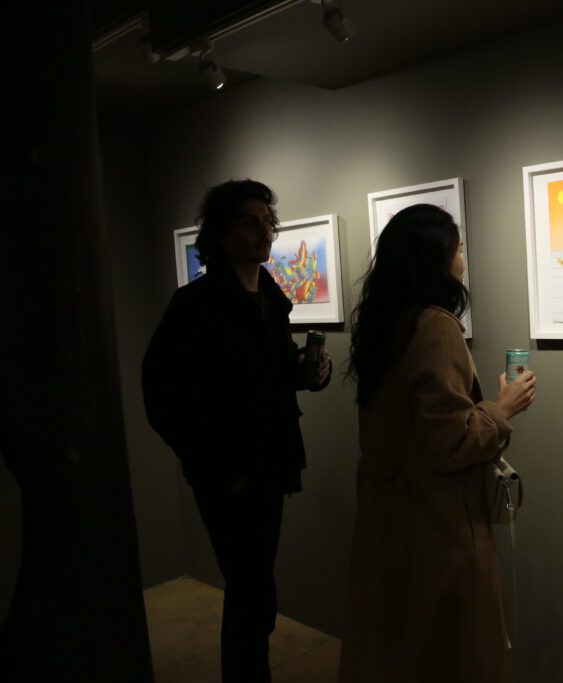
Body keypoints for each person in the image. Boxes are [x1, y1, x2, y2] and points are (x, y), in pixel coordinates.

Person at [337, 204, 536, 683]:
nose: (463, 260)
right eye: (459, 249)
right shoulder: (436, 326)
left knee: (395, 647)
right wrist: (501, 408)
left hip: (389, 516)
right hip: (436, 525)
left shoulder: (386, 325)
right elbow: (449, 443)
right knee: (448, 651)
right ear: (438, 258)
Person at [141, 179, 330, 683]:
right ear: (221, 234)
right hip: (230, 477)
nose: (263, 230)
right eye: (249, 221)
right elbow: (162, 398)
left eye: (267, 220)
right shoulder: (194, 305)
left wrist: (309, 374)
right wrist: (219, 469)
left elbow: (274, 369)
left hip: (272, 466)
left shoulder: (269, 297)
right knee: (251, 593)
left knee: (256, 590)